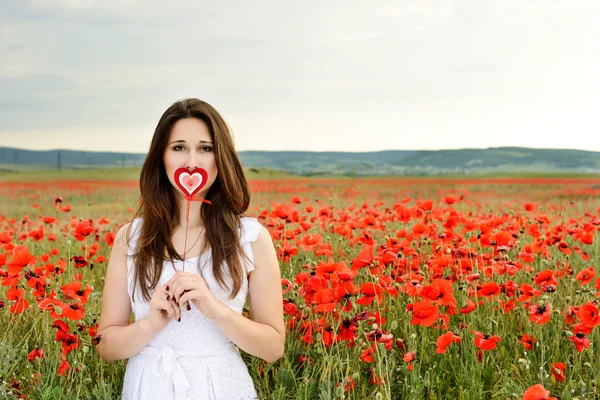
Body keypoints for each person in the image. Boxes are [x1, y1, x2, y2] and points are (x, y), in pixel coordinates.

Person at [96, 98, 285, 399]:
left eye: (205, 148)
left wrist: (215, 310)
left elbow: (273, 348)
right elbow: (106, 347)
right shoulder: (131, 239)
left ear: (220, 157)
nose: (192, 162)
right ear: (162, 156)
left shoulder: (250, 238)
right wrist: (150, 325)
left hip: (221, 387)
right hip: (149, 386)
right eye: (179, 147)